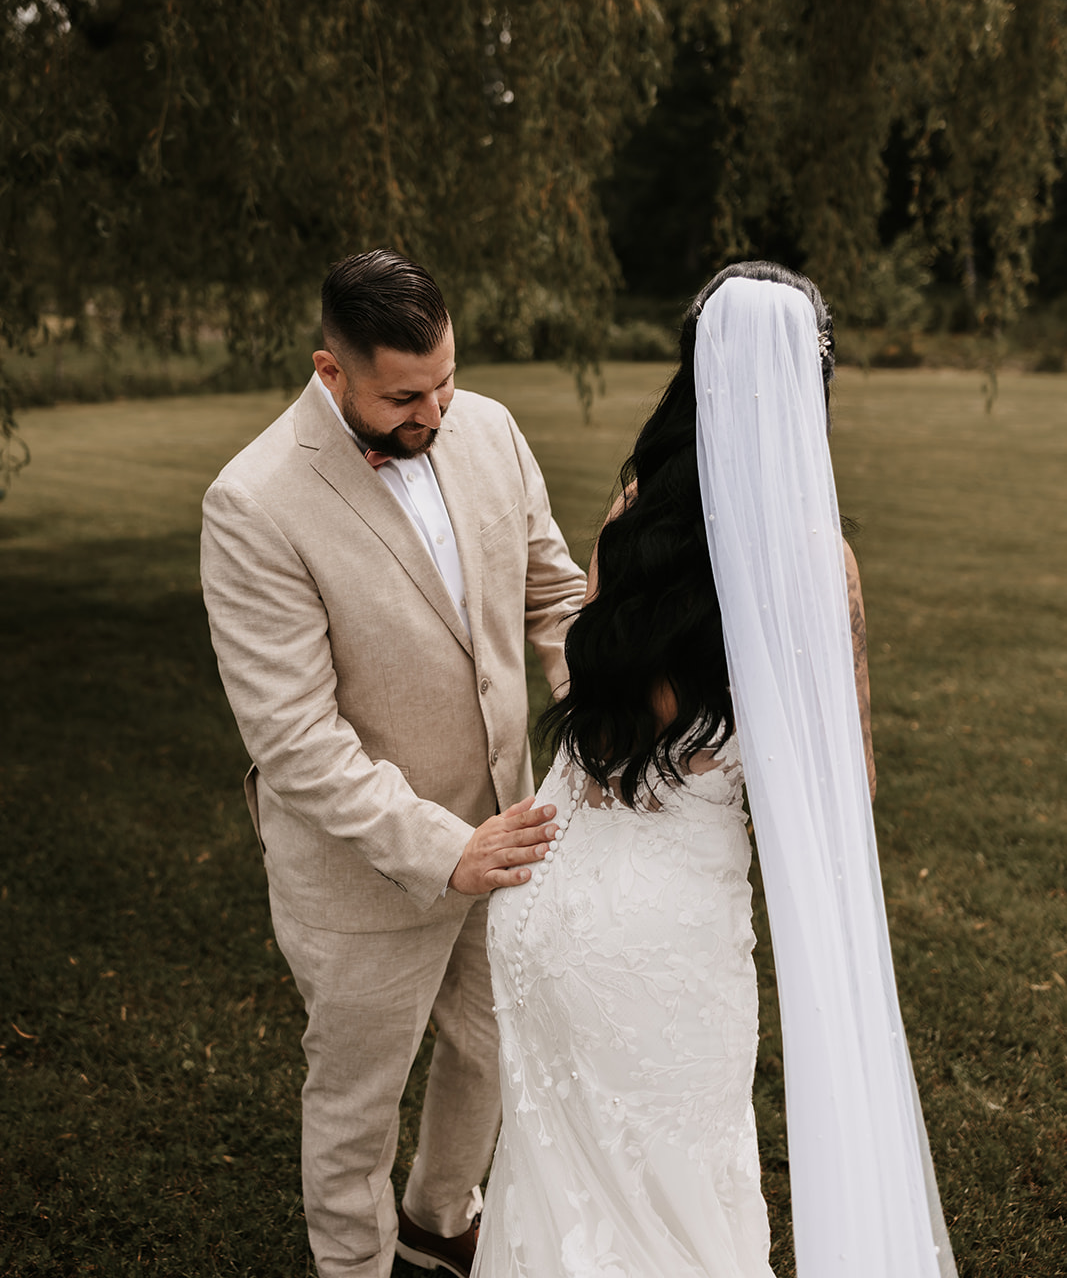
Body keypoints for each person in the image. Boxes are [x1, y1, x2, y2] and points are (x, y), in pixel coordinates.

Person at [473, 262, 957, 1278]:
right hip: (662, 944)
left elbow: (585, 690)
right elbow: (844, 788)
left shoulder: (629, 514)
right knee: (679, 1211)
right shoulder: (812, 563)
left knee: (562, 1191)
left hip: (545, 908)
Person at [200, 250, 586, 1278]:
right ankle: (354, 1261)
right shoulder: (253, 502)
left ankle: (436, 1215)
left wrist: (602, 704)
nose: (434, 411)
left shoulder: (490, 428)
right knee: (356, 1095)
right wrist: (445, 848)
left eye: (445, 379)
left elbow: (552, 595)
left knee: (487, 1042)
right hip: (363, 867)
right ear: (331, 372)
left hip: (507, 825)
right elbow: (293, 737)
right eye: (405, 394)